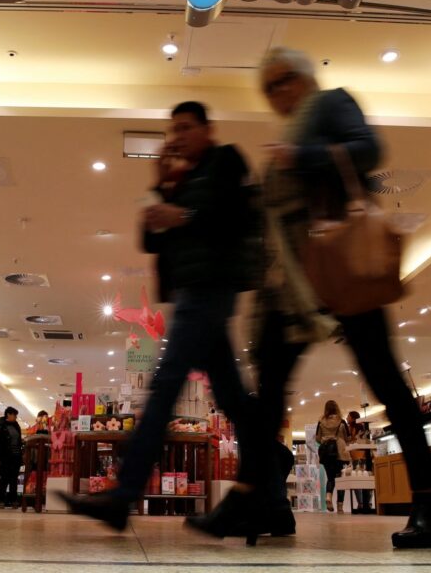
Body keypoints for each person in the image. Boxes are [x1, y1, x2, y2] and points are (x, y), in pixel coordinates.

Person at [249, 47, 431, 549]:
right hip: (296, 286)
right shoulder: (288, 133)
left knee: (385, 380)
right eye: (268, 86)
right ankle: (269, 502)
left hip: (341, 264)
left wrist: (303, 157)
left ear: (302, 77)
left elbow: (369, 149)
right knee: (270, 380)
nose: (277, 93)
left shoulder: (332, 104)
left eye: (283, 80)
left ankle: (428, 500)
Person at [60, 101, 271, 544]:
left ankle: (123, 497)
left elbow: (237, 217)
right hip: (191, 294)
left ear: (208, 129)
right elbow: (150, 239)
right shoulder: (180, 180)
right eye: (173, 129)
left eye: (186, 127)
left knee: (164, 385)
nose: (178, 136)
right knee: (233, 398)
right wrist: (159, 186)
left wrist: (184, 215)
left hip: (212, 288)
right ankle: (262, 490)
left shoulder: (226, 160)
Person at [315, 400, 349, 513]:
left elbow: (317, 438)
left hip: (326, 453)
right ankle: (340, 506)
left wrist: (326, 439)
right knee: (340, 479)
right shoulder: (342, 421)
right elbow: (347, 438)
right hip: (340, 453)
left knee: (330, 478)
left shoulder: (320, 422)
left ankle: (328, 496)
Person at [0, 407, 23, 508]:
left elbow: (17, 440)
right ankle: (0, 501)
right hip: (5, 457)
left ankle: (14, 501)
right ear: (8, 414)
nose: (15, 417)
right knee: (4, 479)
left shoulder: (16, 426)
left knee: (14, 480)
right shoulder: (1, 426)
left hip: (16, 457)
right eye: (14, 415)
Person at [345, 410, 373, 513]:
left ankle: (361, 503)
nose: (347, 418)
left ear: (352, 418)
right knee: (366, 479)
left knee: (356, 480)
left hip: (357, 456)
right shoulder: (360, 428)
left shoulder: (353, 428)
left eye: (348, 416)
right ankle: (367, 502)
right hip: (362, 456)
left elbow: (352, 441)